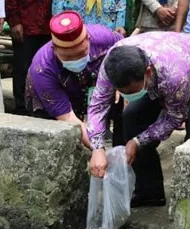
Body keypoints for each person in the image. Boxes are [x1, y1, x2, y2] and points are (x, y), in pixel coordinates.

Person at [86, 32, 190, 207]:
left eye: (132, 91)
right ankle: (149, 192)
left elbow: (174, 117)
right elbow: (98, 105)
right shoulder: (111, 64)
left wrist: (138, 141)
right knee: (132, 116)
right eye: (123, 92)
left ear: (147, 73)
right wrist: (97, 148)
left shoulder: (174, 76)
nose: (128, 96)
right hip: (170, 65)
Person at [25, 11, 124, 147]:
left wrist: (119, 78)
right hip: (50, 93)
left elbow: (124, 48)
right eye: (68, 57)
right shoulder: (42, 68)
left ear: (88, 39)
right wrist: (99, 150)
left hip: (91, 80)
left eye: (81, 53)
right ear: (54, 49)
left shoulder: (103, 37)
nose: (76, 60)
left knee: (124, 99)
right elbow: (67, 117)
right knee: (56, 139)